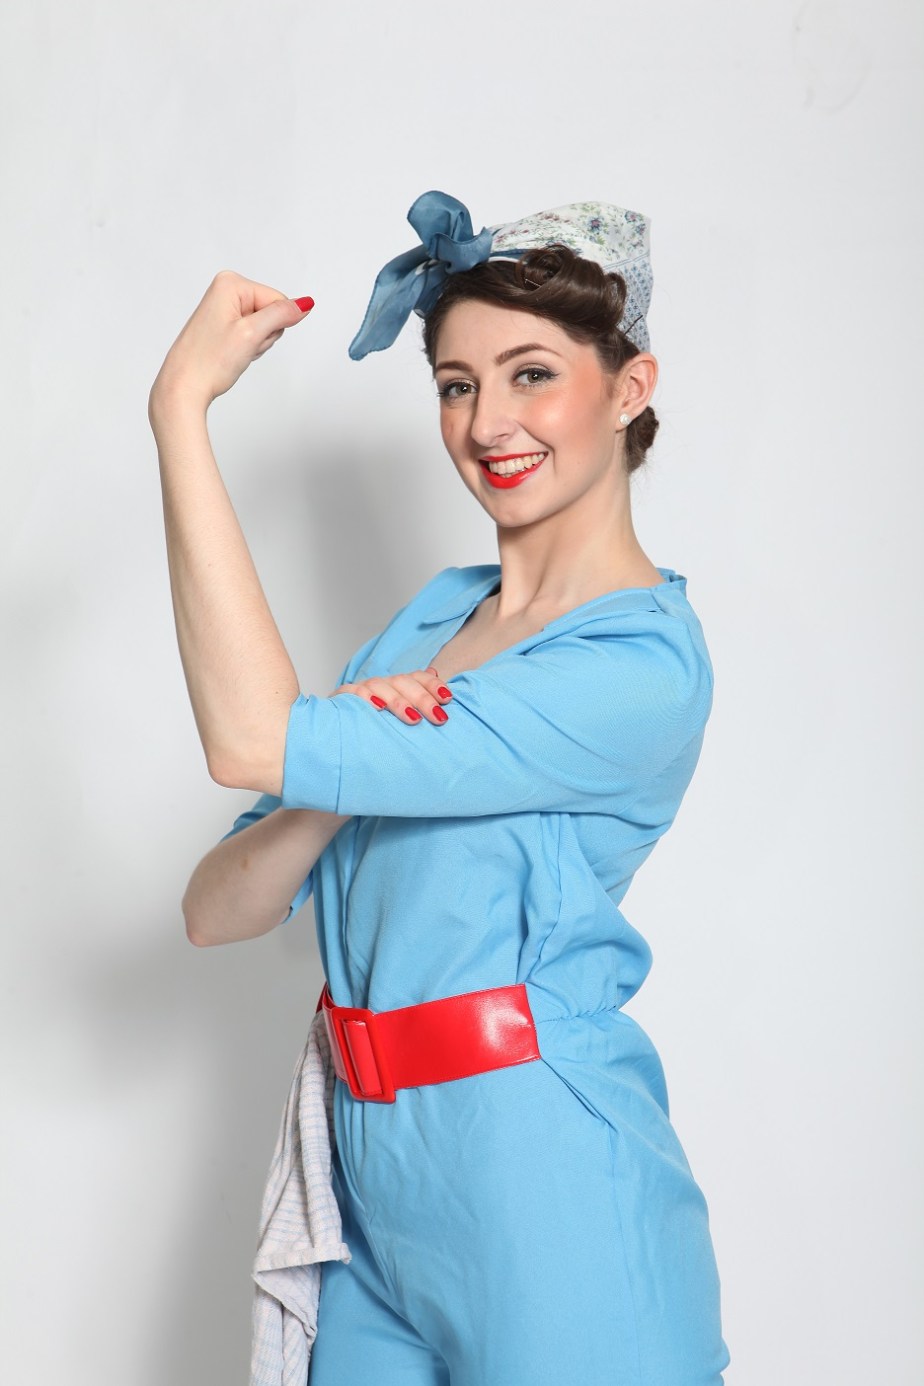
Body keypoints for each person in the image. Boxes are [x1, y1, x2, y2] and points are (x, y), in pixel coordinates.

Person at [148, 190, 731, 1385]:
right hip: (372, 1200)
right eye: (457, 385)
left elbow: (250, 741)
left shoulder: (638, 664)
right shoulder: (430, 620)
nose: (487, 422)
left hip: (552, 1196)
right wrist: (336, 782)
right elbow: (219, 909)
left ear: (630, 388)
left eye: (532, 375)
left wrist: (179, 413)